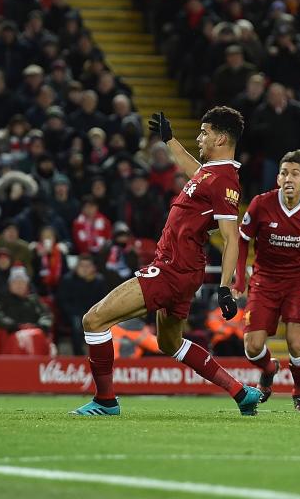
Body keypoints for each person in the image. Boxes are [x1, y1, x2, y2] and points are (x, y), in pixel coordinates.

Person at [71, 108, 262, 416]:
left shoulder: (224, 181)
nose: (199, 137)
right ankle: (241, 393)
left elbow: (232, 239)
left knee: (93, 320)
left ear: (221, 137)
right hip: (183, 270)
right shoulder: (211, 173)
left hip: (172, 269)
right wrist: (170, 140)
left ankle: (105, 401)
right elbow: (194, 171)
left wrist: (225, 287)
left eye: (204, 132)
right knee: (170, 343)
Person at [233, 149, 300, 412]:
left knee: (295, 342)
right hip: (264, 281)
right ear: (278, 178)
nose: (288, 178)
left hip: (299, 282)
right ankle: (269, 370)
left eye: (295, 173)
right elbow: (242, 242)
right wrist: (238, 280)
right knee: (253, 347)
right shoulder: (260, 204)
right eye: (284, 173)